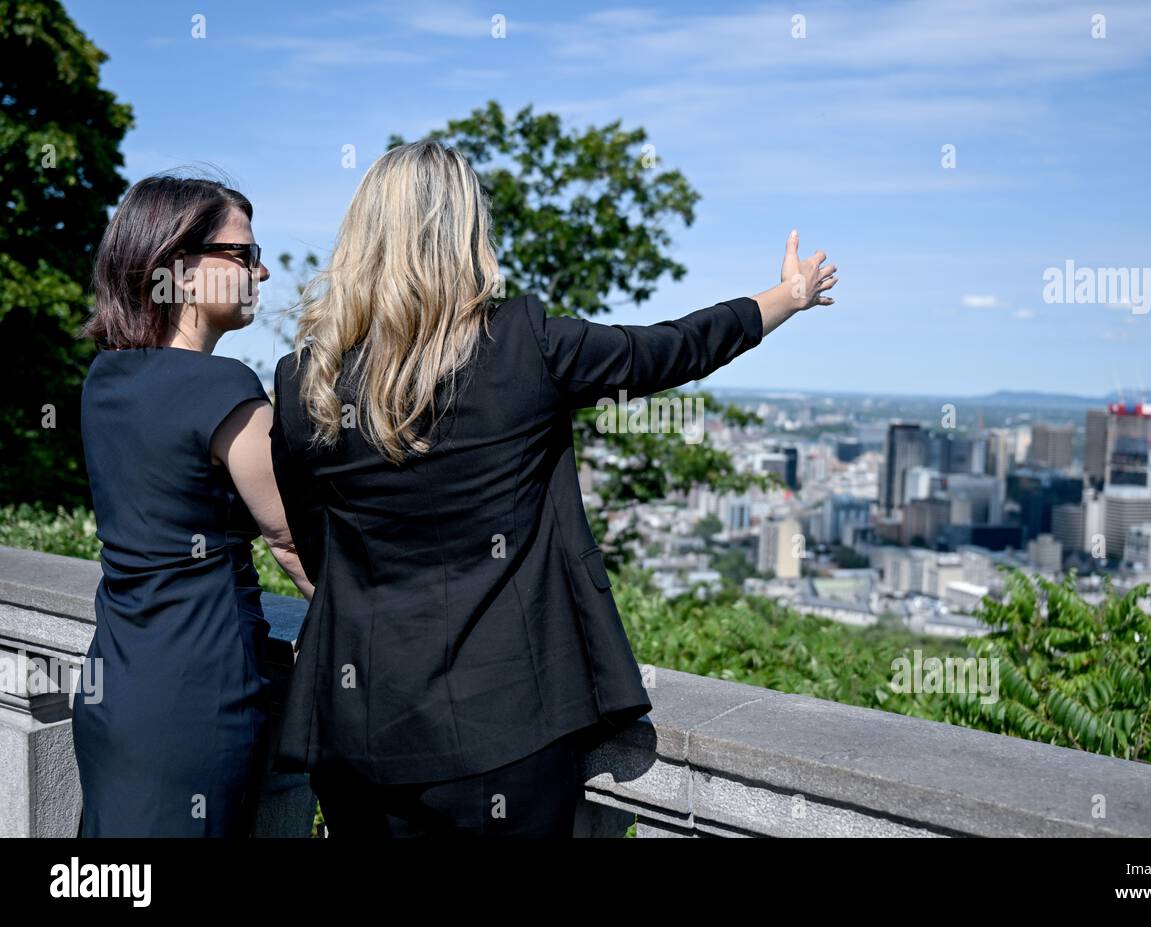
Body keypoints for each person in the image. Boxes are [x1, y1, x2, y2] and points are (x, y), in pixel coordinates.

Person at [269, 139, 837, 837]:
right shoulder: (522, 345)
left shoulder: (304, 382)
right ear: (465, 233)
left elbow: (309, 540)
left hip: (353, 731)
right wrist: (788, 295)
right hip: (505, 731)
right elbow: (667, 348)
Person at [72, 176, 314, 836]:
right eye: (242, 253)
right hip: (196, 700)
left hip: (115, 687)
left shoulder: (106, 378)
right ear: (176, 265)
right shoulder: (225, 389)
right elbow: (294, 543)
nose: (260, 268)